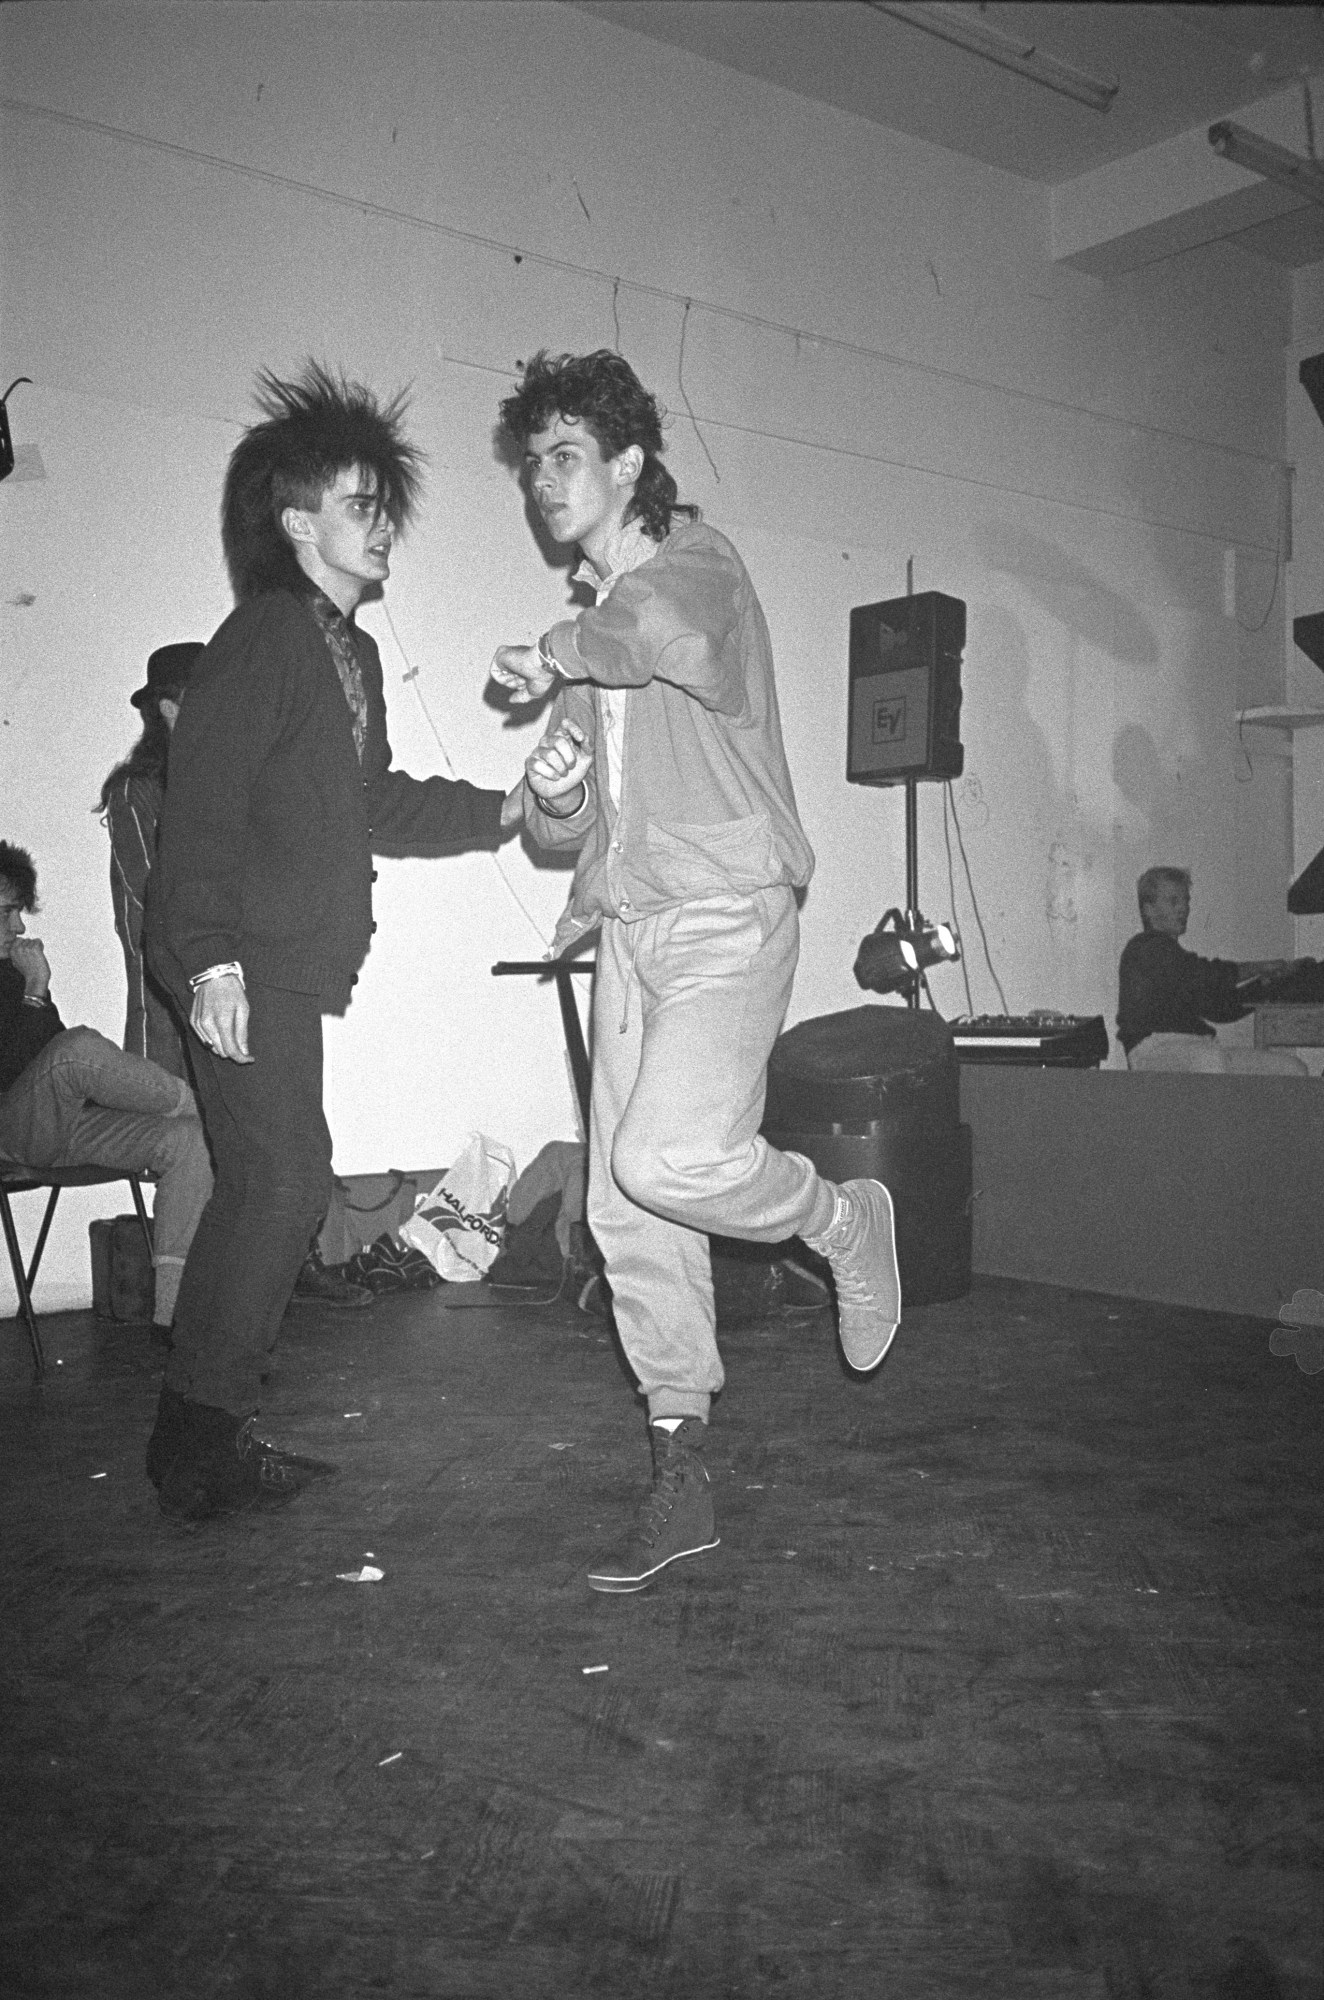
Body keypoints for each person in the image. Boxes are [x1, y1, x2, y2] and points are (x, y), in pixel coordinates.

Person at [491, 348, 902, 1595]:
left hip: (726, 910)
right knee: (627, 1207)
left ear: (624, 463)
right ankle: (680, 1464)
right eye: (530, 467)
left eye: (563, 458)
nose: (542, 485)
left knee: (667, 1157)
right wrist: (551, 794)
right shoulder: (592, 634)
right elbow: (557, 821)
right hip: (631, 927)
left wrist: (561, 646)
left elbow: (653, 635)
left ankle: (842, 1218)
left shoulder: (694, 570)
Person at [144, 361, 524, 1522]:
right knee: (283, 1180)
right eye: (361, 504)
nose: (382, 526)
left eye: (383, 503)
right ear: (297, 519)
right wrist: (207, 959)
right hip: (241, 963)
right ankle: (196, 1440)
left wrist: (503, 810)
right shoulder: (262, 635)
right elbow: (200, 811)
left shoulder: (344, 655)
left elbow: (377, 804)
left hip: (283, 970)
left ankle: (199, 1437)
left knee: (276, 1180)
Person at [100, 642, 373, 1311]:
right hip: (182, 1002)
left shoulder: (244, 783)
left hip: (266, 990)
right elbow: (164, 902)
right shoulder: (141, 795)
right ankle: (200, 1305)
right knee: (221, 1150)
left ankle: (285, 1272)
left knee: (288, 1133)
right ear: (169, 711)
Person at [0, 840, 212, 1337]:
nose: (19, 927)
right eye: (8, 912)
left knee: (189, 1143)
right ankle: (213, 1109)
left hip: (57, 1126)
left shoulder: (12, 971)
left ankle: (176, 1319)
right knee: (77, 1049)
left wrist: (32, 993)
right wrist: (35, 990)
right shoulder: (23, 978)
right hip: (9, 1132)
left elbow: (43, 1058)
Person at [1118, 865, 1308, 1074]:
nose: (1184, 908)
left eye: (1186, 901)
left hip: (1199, 1047)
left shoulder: (1176, 960)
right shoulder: (1145, 948)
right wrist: (1260, 967)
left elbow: (1220, 1008)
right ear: (1149, 909)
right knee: (1211, 1062)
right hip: (1154, 1049)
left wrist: (1271, 982)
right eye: (1174, 901)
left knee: (1292, 1069)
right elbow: (1205, 975)